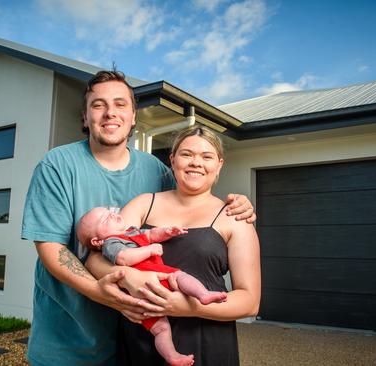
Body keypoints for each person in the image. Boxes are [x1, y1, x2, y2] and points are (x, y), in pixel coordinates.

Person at [21, 70, 256, 366]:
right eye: (98, 105)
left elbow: (191, 200)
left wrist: (236, 204)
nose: (110, 113)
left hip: (134, 337)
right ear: (85, 117)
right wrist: (105, 291)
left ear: (133, 116)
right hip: (71, 339)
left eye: (121, 104)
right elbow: (52, 250)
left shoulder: (156, 172)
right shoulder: (57, 165)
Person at [87, 125, 261, 366]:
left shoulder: (234, 218)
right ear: (172, 159)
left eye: (207, 156)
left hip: (206, 340)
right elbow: (96, 258)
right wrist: (128, 276)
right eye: (187, 154)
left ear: (219, 164)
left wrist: (189, 307)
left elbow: (250, 301)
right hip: (141, 336)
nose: (195, 163)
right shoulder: (143, 204)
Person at [77, 206, 228, 366]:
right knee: (176, 288)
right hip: (146, 287)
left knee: (164, 321)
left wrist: (167, 232)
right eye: (105, 218)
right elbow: (124, 259)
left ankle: (202, 296)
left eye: (110, 212)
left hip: (153, 284)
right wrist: (149, 250)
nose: (113, 215)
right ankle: (173, 352)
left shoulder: (131, 232)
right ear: (97, 241)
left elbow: (149, 234)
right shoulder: (110, 243)